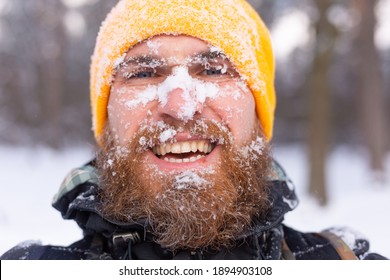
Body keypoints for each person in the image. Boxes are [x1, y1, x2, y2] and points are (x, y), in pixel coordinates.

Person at [1, 0, 387, 260]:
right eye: (144, 73)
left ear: (258, 111)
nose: (180, 105)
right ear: (106, 119)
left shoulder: (348, 263)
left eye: (214, 70)